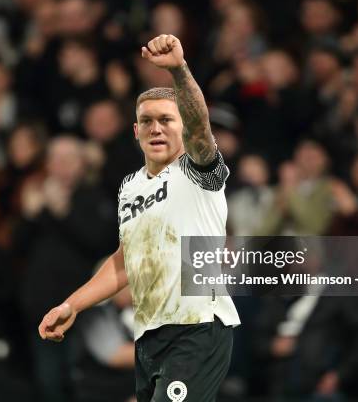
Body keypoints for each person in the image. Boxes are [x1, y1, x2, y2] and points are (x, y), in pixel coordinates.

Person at [38, 34, 240, 401]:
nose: (156, 128)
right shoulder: (130, 187)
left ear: (183, 127)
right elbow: (124, 261)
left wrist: (178, 70)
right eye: (147, 121)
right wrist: (73, 305)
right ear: (135, 131)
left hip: (197, 325)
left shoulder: (198, 170)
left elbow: (200, 126)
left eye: (167, 119)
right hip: (148, 335)